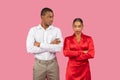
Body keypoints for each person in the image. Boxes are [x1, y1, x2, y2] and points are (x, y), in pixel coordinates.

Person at [26, 7, 63, 80]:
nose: (51, 19)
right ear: (42, 17)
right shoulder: (33, 30)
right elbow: (30, 49)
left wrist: (40, 44)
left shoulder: (57, 30)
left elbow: (58, 48)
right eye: (49, 17)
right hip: (39, 64)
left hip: (53, 64)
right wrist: (51, 45)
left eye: (52, 17)